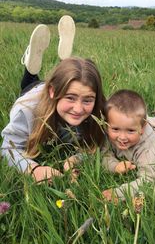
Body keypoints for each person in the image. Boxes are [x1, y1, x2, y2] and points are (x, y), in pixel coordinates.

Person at [1, 15, 106, 182]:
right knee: (30, 81)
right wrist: (33, 169)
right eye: (71, 98)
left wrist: (77, 158)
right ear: (52, 92)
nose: (78, 109)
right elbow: (8, 147)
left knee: (68, 78)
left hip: (57, 87)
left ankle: (65, 63)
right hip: (33, 92)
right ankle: (31, 66)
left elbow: (102, 142)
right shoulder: (26, 111)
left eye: (87, 100)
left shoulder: (97, 109)